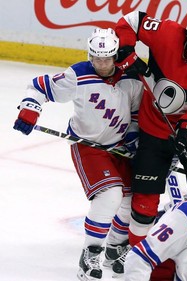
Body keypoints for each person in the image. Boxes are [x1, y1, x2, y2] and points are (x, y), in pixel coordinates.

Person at [13, 28, 144, 280]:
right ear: (89, 55)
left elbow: (137, 110)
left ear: (116, 56)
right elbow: (39, 87)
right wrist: (30, 108)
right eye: (96, 58)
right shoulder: (79, 75)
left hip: (120, 148)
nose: (102, 64)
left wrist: (133, 134)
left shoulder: (131, 78)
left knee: (129, 200)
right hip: (88, 146)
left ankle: (115, 248)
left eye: (107, 59)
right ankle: (90, 253)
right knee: (109, 196)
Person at [112, 10, 187, 275]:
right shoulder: (166, 33)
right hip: (154, 128)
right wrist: (126, 51)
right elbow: (131, 20)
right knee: (144, 201)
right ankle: (139, 256)